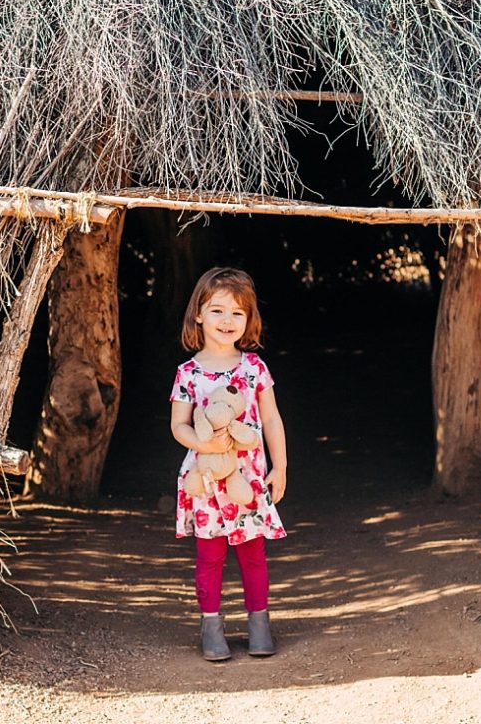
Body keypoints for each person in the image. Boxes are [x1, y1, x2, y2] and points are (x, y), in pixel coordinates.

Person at [169, 265, 287, 662]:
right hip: (205, 478)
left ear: (249, 320)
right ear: (198, 314)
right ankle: (211, 628)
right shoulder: (188, 373)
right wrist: (203, 439)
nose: (227, 321)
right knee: (210, 555)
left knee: (252, 553)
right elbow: (179, 426)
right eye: (217, 310)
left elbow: (270, 418)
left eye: (238, 313)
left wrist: (280, 466)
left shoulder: (254, 368)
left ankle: (259, 625)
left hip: (248, 476)